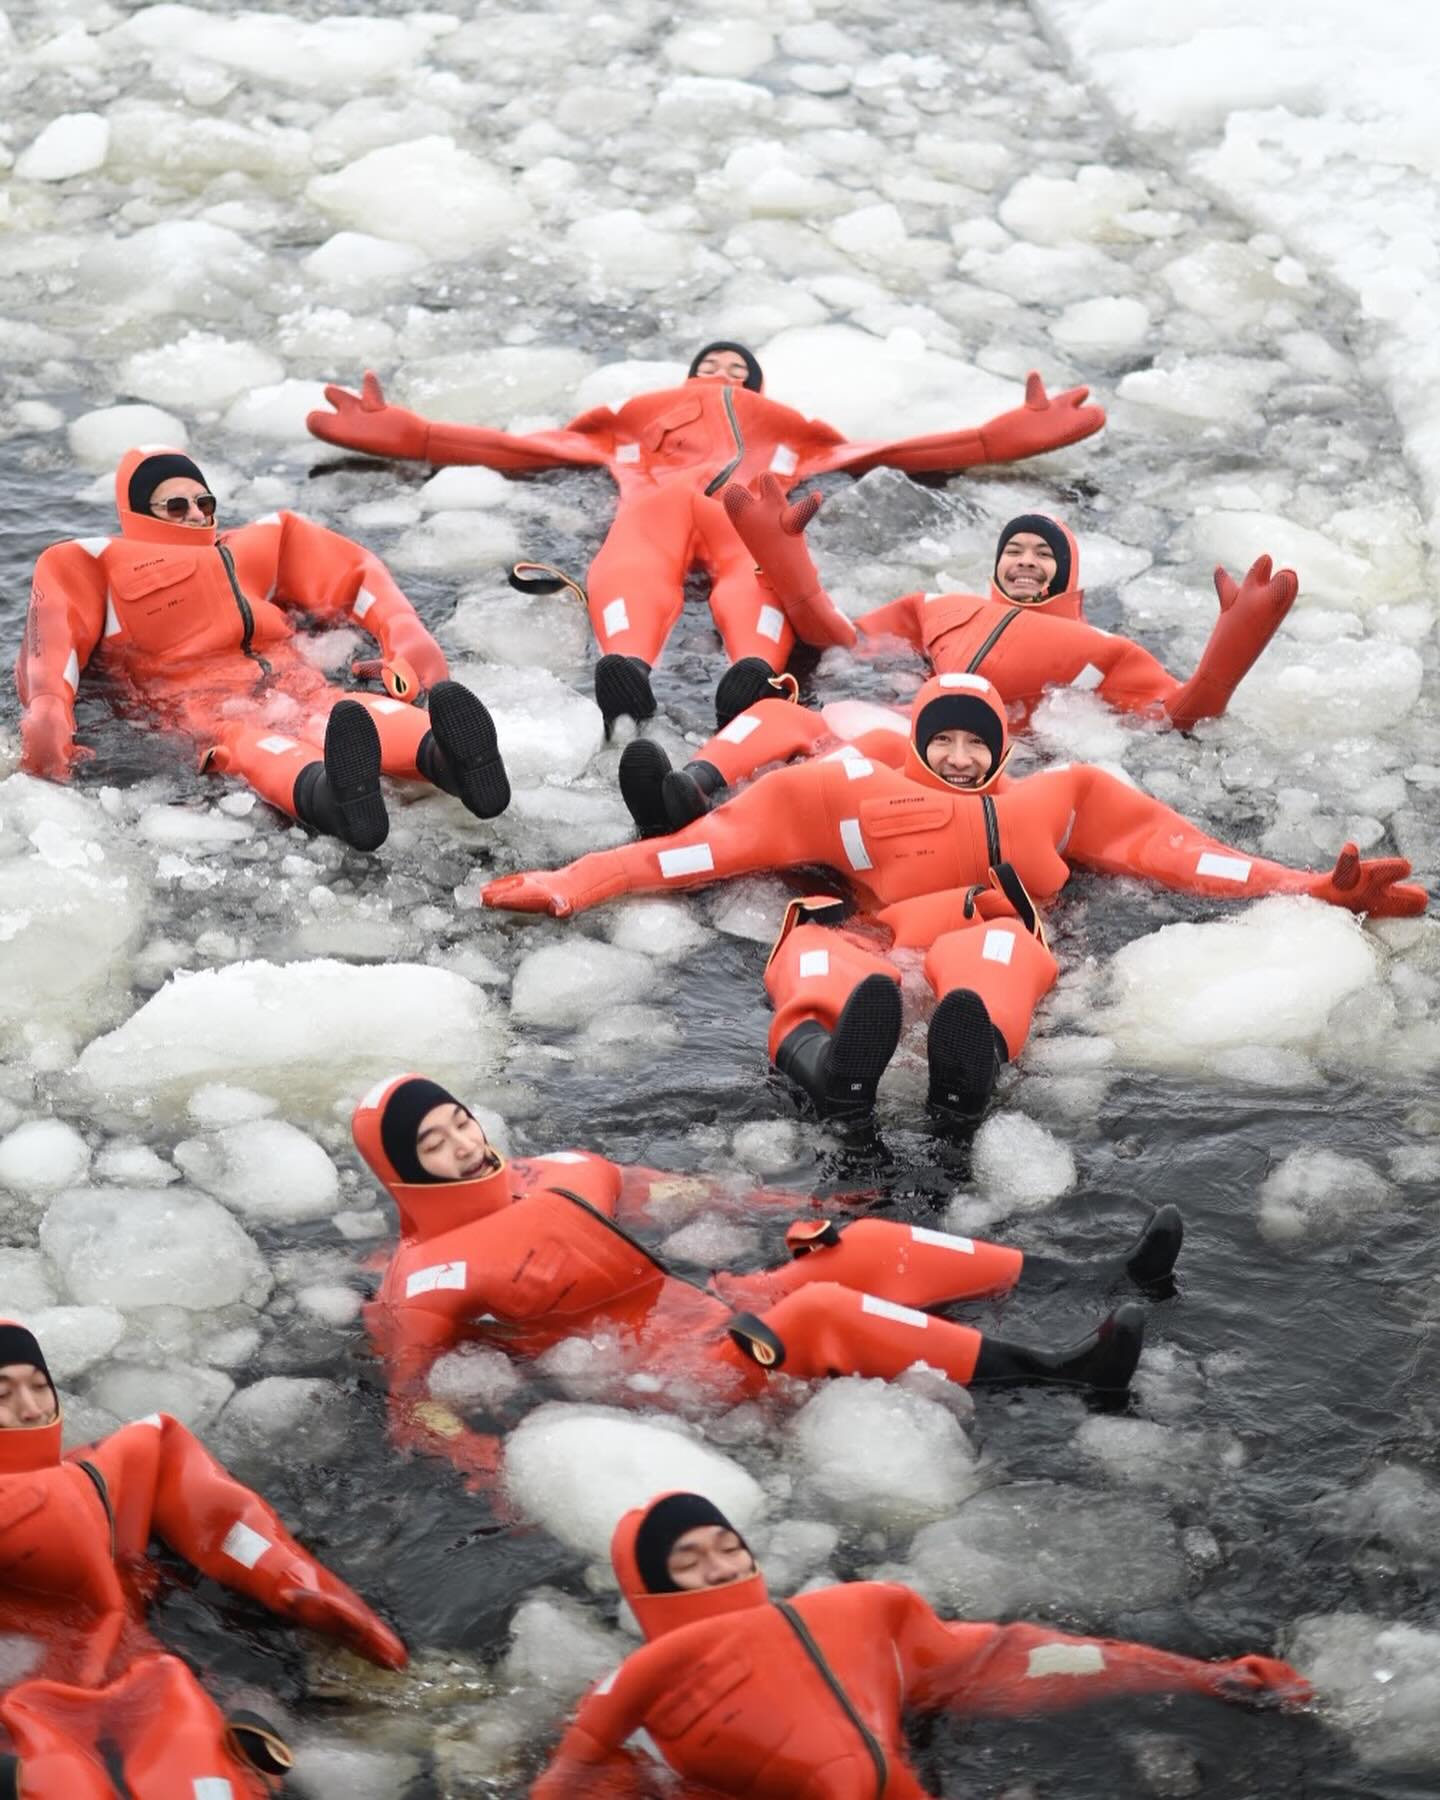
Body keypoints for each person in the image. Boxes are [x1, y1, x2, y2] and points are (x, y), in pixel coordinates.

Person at [483, 671, 1426, 1120]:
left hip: (989, 927)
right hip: (869, 929)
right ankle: (826, 1063)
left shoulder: (1059, 799)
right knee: (816, 955)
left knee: (1002, 957)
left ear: (1000, 747)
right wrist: (576, 881)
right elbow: (701, 852)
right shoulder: (836, 788)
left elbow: (1176, 851)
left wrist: (1311, 886)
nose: (963, 754)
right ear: (922, 737)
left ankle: (966, 1068)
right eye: (947, 739)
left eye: (978, 742)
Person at [350, 1074, 1184, 1483]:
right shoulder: (422, 1279)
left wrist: (812, 1204)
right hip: (664, 1379)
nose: (465, 1145)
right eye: (436, 1145)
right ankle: (1065, 1376)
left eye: (460, 1121)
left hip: (703, 1308)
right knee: (818, 1311)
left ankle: (1096, 1276)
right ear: (405, 1172)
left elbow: (685, 1194)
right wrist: (491, 1468)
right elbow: (411, 1402)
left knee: (850, 1249)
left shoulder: (560, 1170)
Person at [305, 343, 1105, 724]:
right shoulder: (628, 426)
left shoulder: (795, 434)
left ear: (756, 389)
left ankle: (749, 674)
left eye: (738, 371)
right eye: (713, 365)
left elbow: (914, 452)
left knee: (755, 574)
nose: (724, 376)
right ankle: (628, 664)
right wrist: (407, 433)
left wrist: (1009, 437)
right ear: (689, 375)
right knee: (633, 557)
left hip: (749, 502)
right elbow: (513, 449)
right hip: (657, 497)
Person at [530, 1489, 1311, 1799]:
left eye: (724, 1546)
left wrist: (1198, 1675)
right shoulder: (640, 1694)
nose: (720, 1567)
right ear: (651, 1595)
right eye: (689, 1562)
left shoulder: (855, 1620)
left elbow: (1004, 1657)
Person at [15, 446, 511, 851]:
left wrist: (403, 630)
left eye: (203, 503)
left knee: (340, 712)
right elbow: (52, 646)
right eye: (176, 506)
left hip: (296, 683)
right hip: (201, 710)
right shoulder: (92, 566)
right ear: (138, 513)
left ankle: (450, 760)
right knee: (250, 747)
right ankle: (335, 801)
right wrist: (48, 708)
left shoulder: (259, 545)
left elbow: (355, 573)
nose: (194, 515)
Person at [0, 1321, 405, 1797]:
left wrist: (297, 1582)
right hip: (24, 1708)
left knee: (206, 1776)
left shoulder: (99, 1477)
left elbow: (225, 1519)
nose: (30, 1409)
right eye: (3, 1394)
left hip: (144, 1675)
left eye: (39, 1387)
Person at [718, 477, 1300, 727]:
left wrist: (1232, 652)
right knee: (800, 725)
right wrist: (790, 568)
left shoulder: (1104, 650)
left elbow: (1178, 716)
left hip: (998, 761)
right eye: (1014, 550)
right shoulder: (936, 607)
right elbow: (842, 642)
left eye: (1043, 555)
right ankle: (695, 784)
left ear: (1066, 575)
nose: (1025, 560)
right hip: (910, 724)